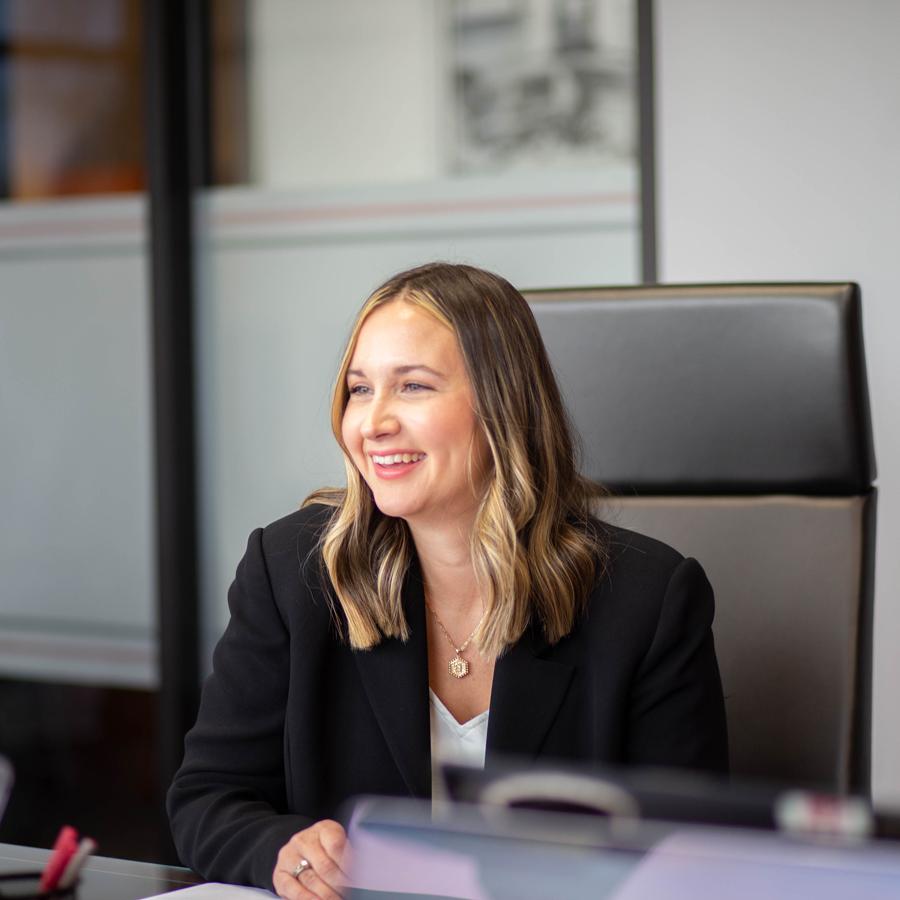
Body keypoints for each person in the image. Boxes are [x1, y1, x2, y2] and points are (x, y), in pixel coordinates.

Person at [168, 262, 728, 898]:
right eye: (358, 389)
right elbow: (209, 798)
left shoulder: (647, 601)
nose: (372, 422)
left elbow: (686, 856)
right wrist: (282, 851)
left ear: (502, 405)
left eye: (412, 387)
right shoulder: (295, 571)